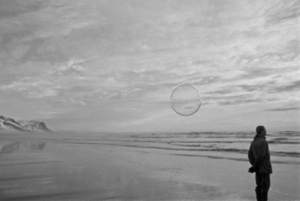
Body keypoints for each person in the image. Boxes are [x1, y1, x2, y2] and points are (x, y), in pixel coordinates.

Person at [248, 125, 272, 201]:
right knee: (265, 186)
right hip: (264, 167)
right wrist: (254, 166)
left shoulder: (253, 142)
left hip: (257, 168)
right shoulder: (263, 142)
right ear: (261, 131)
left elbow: (249, 154)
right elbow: (261, 155)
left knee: (259, 186)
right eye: (265, 130)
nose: (266, 131)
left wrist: (253, 165)